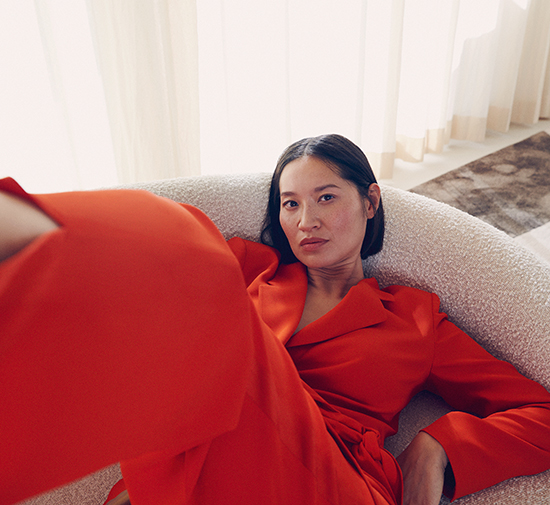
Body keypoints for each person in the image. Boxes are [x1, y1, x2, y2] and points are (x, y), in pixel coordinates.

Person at [1, 134, 549, 505]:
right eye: (289, 204)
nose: (306, 221)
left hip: (332, 481)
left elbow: (541, 413)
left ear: (371, 201)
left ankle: (21, 226)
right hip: (215, 464)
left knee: (183, 247)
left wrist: (439, 450)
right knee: (173, 286)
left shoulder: (415, 318)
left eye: (326, 197)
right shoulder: (255, 271)